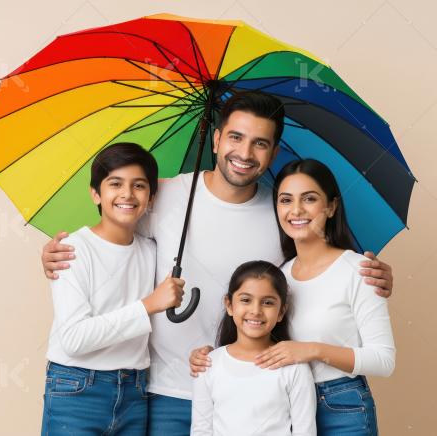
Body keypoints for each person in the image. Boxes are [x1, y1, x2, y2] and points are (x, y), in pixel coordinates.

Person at [40, 91, 395, 436]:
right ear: (216, 139)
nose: (244, 152)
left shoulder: (283, 211)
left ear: (272, 154)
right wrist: (57, 251)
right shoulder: (163, 194)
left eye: (260, 143)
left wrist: (370, 279)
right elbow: (114, 231)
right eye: (236, 137)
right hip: (164, 392)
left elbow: (312, 272)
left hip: (247, 395)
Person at [190, 159, 395, 435]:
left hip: (341, 405)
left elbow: (383, 361)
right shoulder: (281, 275)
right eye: (286, 200)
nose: (296, 210)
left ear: (331, 207)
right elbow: (252, 330)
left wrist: (313, 350)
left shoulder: (359, 271)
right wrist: (210, 357)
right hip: (282, 403)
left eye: (309, 199)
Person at [41, 142, 185, 435]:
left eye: (139, 186)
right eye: (115, 183)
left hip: (134, 392)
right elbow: (74, 339)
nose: (127, 195)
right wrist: (147, 306)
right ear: (95, 193)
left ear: (152, 196)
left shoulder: (151, 250)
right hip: (77, 390)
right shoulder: (73, 251)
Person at [190, 260, 316, 436]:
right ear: (229, 305)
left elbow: (305, 431)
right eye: (246, 300)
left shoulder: (294, 367)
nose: (256, 310)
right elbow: (201, 430)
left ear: (281, 312)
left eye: (268, 303)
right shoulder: (208, 364)